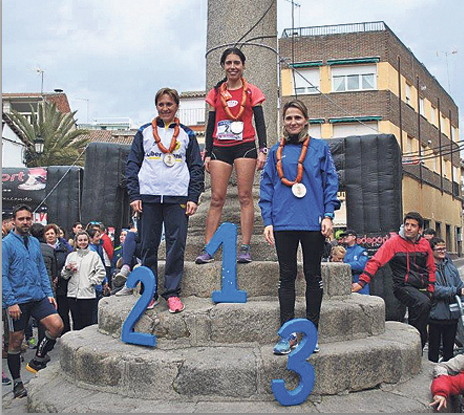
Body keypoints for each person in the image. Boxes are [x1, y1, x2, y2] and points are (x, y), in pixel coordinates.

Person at [259, 100, 340, 355]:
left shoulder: (319, 148)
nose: (292, 122)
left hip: (313, 222)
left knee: (314, 277)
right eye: (288, 118)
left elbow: (330, 182)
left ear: (306, 120)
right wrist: (268, 221)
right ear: (283, 121)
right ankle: (287, 334)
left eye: (297, 117)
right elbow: (267, 187)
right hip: (283, 222)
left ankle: (311, 333)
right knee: (286, 277)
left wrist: (328, 214)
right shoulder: (275, 152)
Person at [126, 87, 204, 313]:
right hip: (148, 197)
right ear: (156, 106)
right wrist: (134, 195)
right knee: (148, 246)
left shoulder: (188, 135)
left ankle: (172, 293)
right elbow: (132, 165)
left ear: (176, 106)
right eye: (161, 104)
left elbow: (196, 168)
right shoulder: (143, 132)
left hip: (177, 197)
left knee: (176, 245)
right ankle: (148, 292)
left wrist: (193, 197)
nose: (165, 108)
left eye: (169, 104)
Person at [195, 47, 267, 264]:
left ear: (243, 66)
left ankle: (245, 247)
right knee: (216, 198)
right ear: (223, 66)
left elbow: (260, 123)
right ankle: (209, 248)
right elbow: (210, 125)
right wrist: (207, 152)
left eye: (237, 62)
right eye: (229, 63)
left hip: (245, 145)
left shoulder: (252, 91)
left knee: (245, 196)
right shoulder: (215, 93)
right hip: (219, 146)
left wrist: (263, 149)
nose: (233, 67)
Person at [2, 204, 63, 398]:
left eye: (28, 218)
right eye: (21, 219)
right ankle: (17, 383)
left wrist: (48, 293)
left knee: (57, 325)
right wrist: (10, 302)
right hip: (17, 301)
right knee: (16, 342)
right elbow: (2, 275)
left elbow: (42, 271)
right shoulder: (6, 244)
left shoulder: (36, 242)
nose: (25, 222)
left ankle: (37, 360)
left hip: (37, 296)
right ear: (14, 221)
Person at [352, 212, 436, 349]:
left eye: (413, 226)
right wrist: (362, 283)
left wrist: (431, 289)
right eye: (407, 224)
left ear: (420, 230)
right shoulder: (393, 243)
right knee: (422, 304)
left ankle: (418, 346)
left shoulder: (424, 244)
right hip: (402, 286)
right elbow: (376, 261)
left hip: (421, 288)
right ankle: (416, 342)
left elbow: (431, 268)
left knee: (422, 312)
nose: (408, 228)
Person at [428, 237, 464, 363]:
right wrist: (456, 291)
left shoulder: (450, 266)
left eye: (444, 248)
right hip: (436, 315)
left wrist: (462, 289)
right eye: (439, 249)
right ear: (431, 251)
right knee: (434, 349)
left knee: (449, 350)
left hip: (452, 315)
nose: (442, 251)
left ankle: (447, 376)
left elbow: (458, 283)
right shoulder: (428, 268)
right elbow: (434, 289)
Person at [61, 231, 106, 330]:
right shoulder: (71, 256)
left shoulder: (94, 255)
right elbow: (64, 276)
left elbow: (102, 272)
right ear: (76, 242)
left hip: (87, 294)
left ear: (88, 241)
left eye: (85, 240)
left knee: (87, 323)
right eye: (80, 240)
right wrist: (67, 269)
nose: (83, 242)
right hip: (72, 294)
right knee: (76, 322)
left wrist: (91, 282)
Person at [30, 223, 58, 347]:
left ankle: (31, 340)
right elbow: (54, 271)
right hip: (48, 285)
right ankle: (45, 343)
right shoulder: (50, 249)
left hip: (32, 286)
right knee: (47, 316)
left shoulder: (29, 248)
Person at [44, 223, 72, 335]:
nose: (50, 236)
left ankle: (65, 334)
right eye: (47, 234)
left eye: (52, 233)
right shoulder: (42, 249)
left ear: (57, 235)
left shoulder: (64, 249)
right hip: (48, 285)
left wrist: (59, 275)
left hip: (63, 284)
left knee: (63, 311)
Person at [341, 229, 369, 295]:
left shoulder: (361, 250)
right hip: (345, 283)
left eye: (347, 235)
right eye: (344, 236)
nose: (345, 237)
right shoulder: (342, 251)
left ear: (354, 237)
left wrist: (344, 265)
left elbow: (361, 265)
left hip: (359, 282)